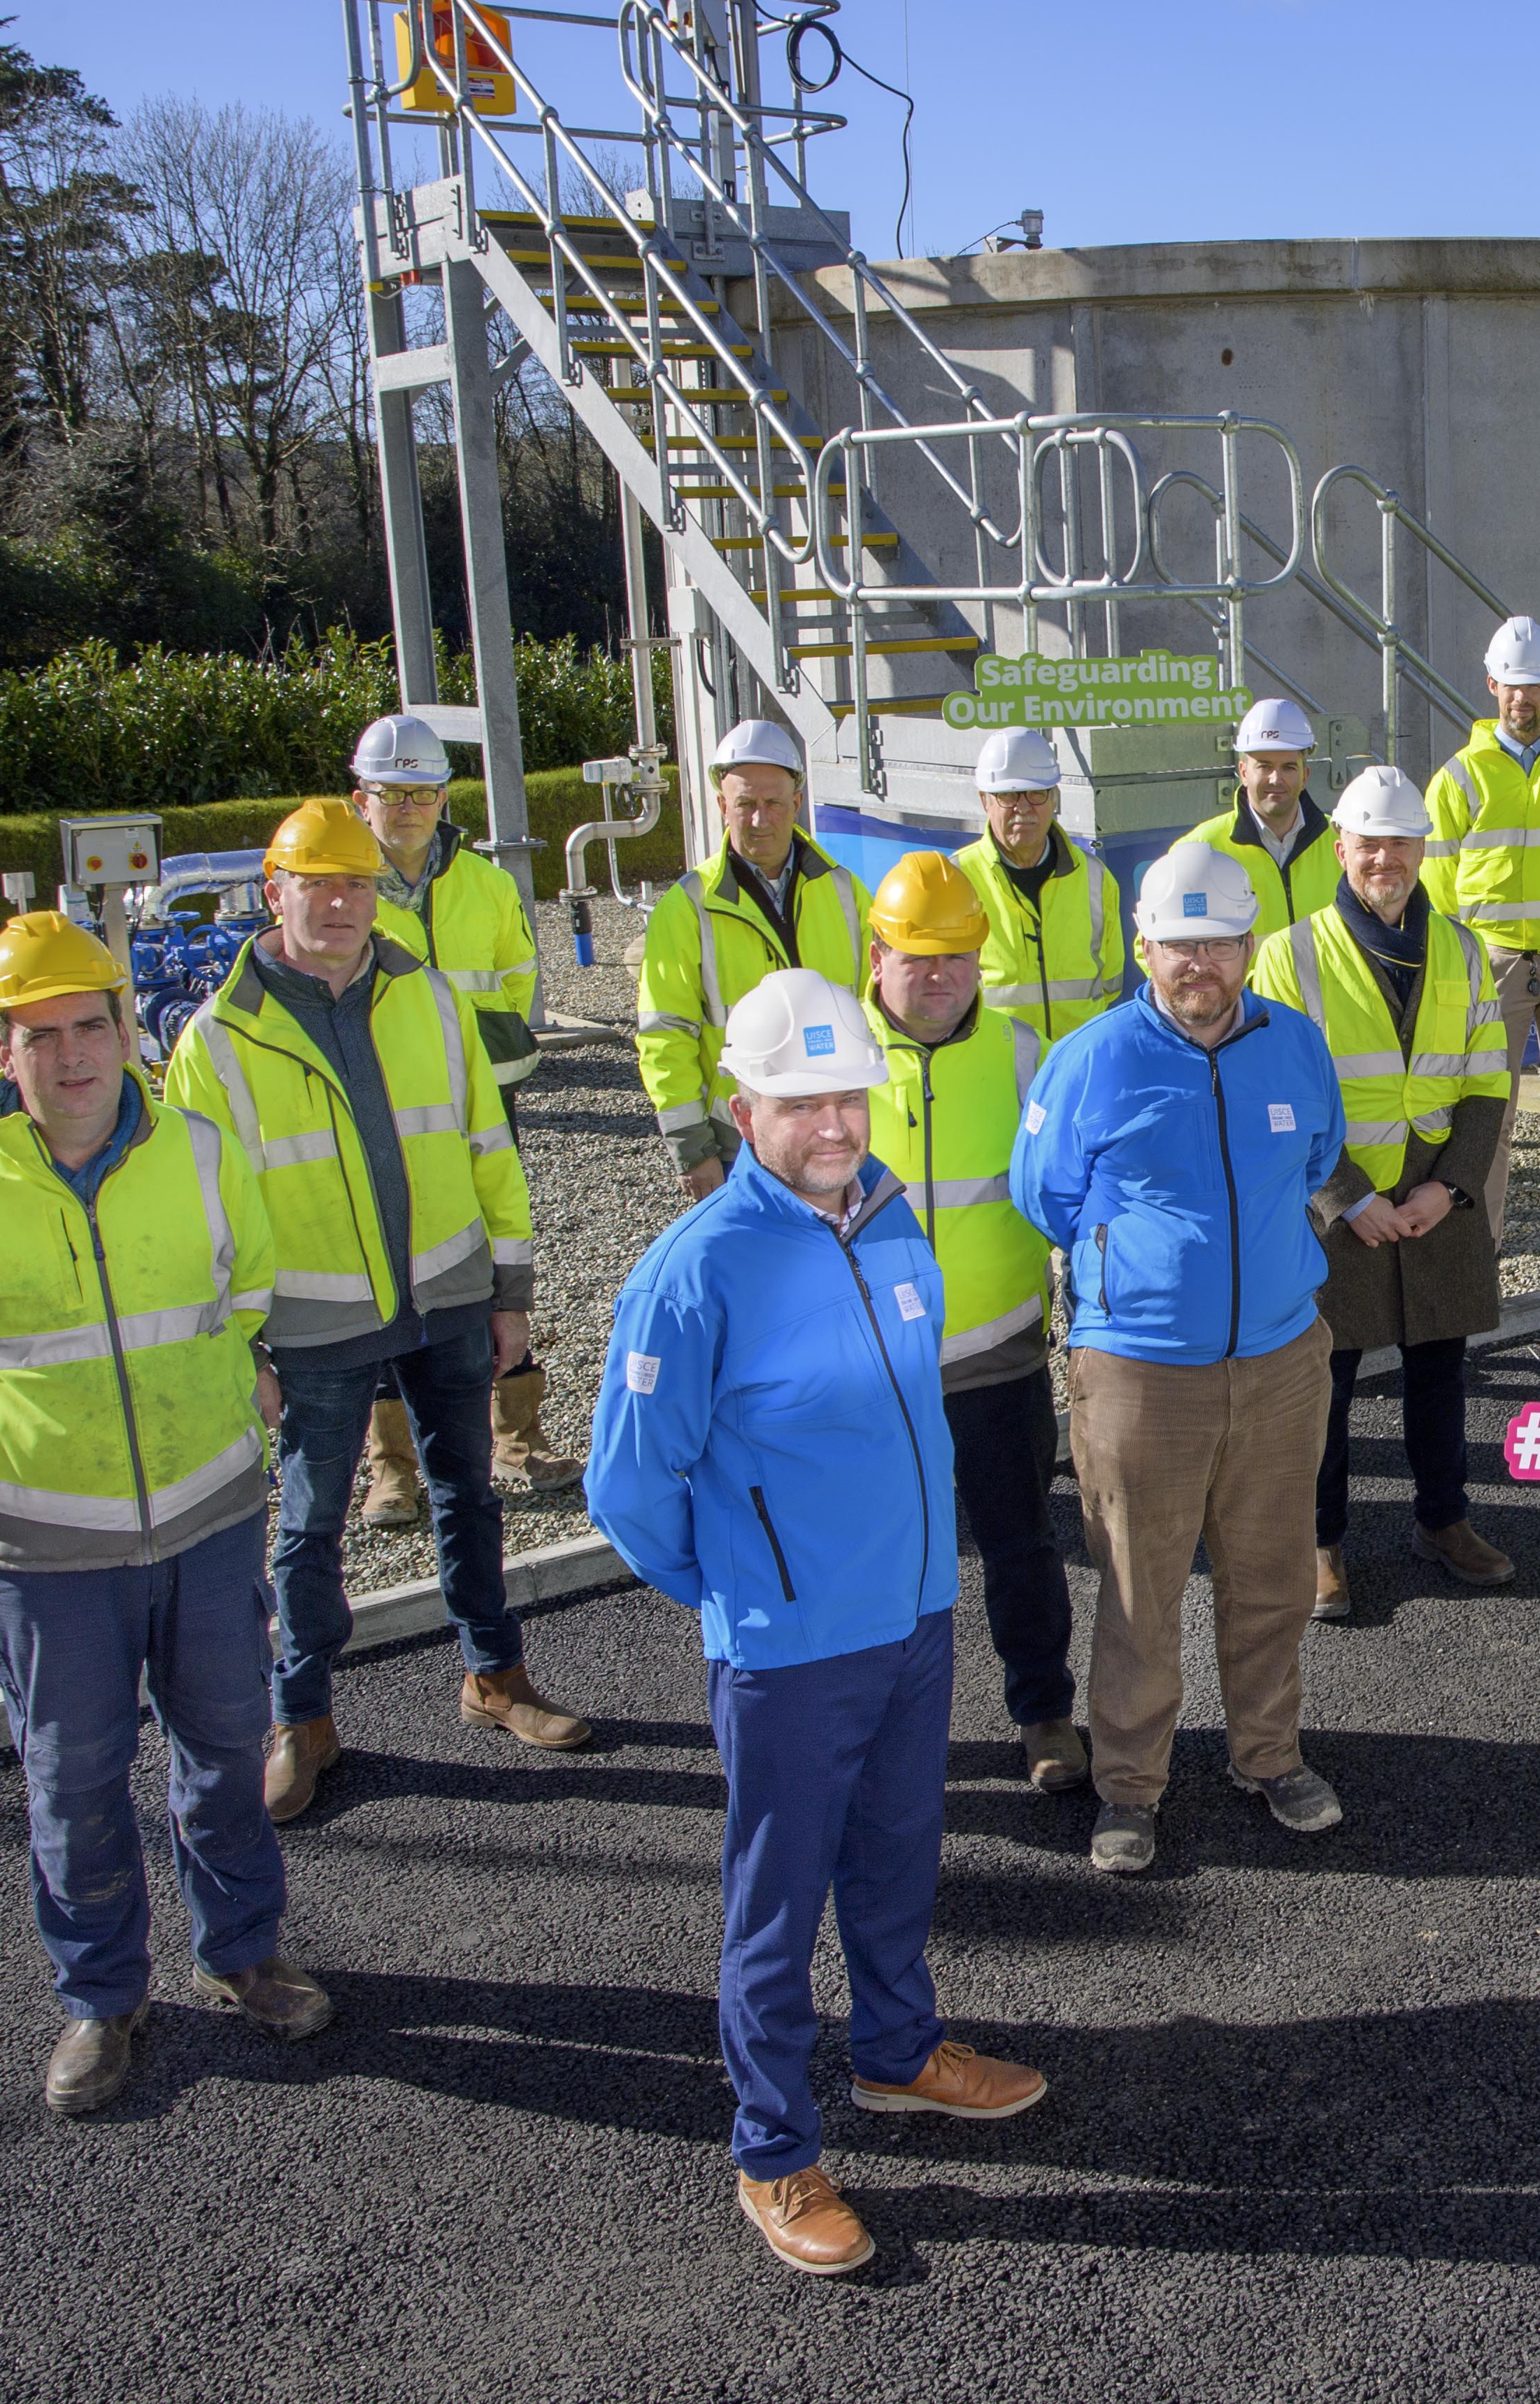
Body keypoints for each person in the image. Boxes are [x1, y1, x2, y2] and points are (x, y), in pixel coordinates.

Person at [587, 968, 1049, 2276]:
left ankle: (899, 2052)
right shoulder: (695, 1272)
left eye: (847, 1092)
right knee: (776, 1909)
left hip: (909, 1619)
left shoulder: (896, 1221)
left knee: (900, 1859)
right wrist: (742, 1585)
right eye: (801, 1100)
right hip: (788, 1651)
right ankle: (775, 2148)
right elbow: (628, 1489)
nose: (833, 1122)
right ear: (743, 1108)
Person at [0, 913, 331, 2115]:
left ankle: (242, 1949)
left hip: (208, 1512)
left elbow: (245, 1294)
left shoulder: (204, 1153)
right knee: (73, 1779)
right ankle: (100, 1994)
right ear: (2, 1049)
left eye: (93, 1026)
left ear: (128, 1030)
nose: (74, 1057)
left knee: (227, 1747)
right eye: (43, 1035)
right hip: (42, 1548)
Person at [164, 799, 587, 1823]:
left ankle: (494, 1676)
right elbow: (198, 1217)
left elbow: (489, 1144)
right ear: (277, 893)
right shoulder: (220, 1040)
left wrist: (510, 1292)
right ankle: (300, 1716)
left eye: (358, 882)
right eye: (322, 883)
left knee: (469, 1496)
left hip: (444, 1299)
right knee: (308, 1529)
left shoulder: (427, 997)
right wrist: (241, 1348)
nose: (345, 901)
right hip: (312, 1328)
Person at [1011, 839, 1351, 1875]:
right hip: (1140, 1371)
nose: (1195, 966)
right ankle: (1129, 1785)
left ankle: (1268, 1753)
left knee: (1273, 1576)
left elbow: (1320, 1157)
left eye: (1215, 944)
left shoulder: (1293, 1043)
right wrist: (1141, 1269)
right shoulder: (1093, 1057)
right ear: (1141, 946)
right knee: (1137, 1586)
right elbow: (1046, 1195)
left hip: (1284, 1360)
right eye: (1174, 946)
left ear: (1248, 946)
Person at [1249, 763, 1516, 1621]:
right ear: (1341, 846)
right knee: (1323, 1383)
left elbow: (1486, 1082)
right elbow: (1274, 1099)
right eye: (1369, 842)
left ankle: (1444, 1520)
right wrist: (1348, 1198)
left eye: (1400, 842)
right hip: (1339, 1207)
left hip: (1433, 1196)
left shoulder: (1466, 950)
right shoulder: (1288, 957)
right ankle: (1321, 1544)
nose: (1385, 859)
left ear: (1423, 849)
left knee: (1441, 1370)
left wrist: (1451, 1190)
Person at [859, 851, 1083, 1794]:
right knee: (873, 1557)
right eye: (918, 954)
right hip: (867, 1367)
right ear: (876, 955)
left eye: (957, 953)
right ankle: (874, 1727)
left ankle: (1042, 1712)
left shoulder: (1028, 1053)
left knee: (1020, 1544)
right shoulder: (834, 1057)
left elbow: (1066, 1194)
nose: (939, 973)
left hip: (995, 1352)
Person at [346, 711, 578, 1519]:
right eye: (392, 793)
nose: (409, 807)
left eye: (423, 792)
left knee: (494, 1250)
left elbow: (516, 978)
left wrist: (483, 1061)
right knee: (386, 1266)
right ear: (360, 800)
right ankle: (394, 1466)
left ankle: (515, 1436)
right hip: (378, 1105)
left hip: (484, 1102)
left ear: (445, 796)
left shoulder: (484, 883)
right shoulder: (338, 886)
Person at [1423, 613, 1540, 1304]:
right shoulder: (1459, 779)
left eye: (1535, 685)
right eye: (1511, 684)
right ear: (1490, 685)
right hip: (1495, 965)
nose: (1522, 698)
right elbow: (1439, 889)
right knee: (1491, 1118)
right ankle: (1485, 1258)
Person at [639, 716, 870, 1201]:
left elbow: (876, 1011)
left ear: (797, 804)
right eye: (745, 804)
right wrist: (691, 1148)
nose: (760, 819)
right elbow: (665, 1036)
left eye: (773, 804)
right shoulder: (687, 907)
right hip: (738, 1139)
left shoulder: (847, 892)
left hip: (835, 1135)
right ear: (723, 805)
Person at [956, 725, 1128, 1052]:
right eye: (1007, 795)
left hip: (1079, 1063)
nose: (1023, 808)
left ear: (1054, 798)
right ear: (985, 801)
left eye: (1037, 793)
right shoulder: (955, 881)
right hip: (993, 1067)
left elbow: (1111, 985)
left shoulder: (1095, 877)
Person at [1177, 697, 1339, 935]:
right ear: (1243, 772)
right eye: (1264, 766)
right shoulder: (1200, 851)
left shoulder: (1342, 843)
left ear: (1305, 776)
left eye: (1289, 767)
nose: (1276, 779)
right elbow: (1156, 948)